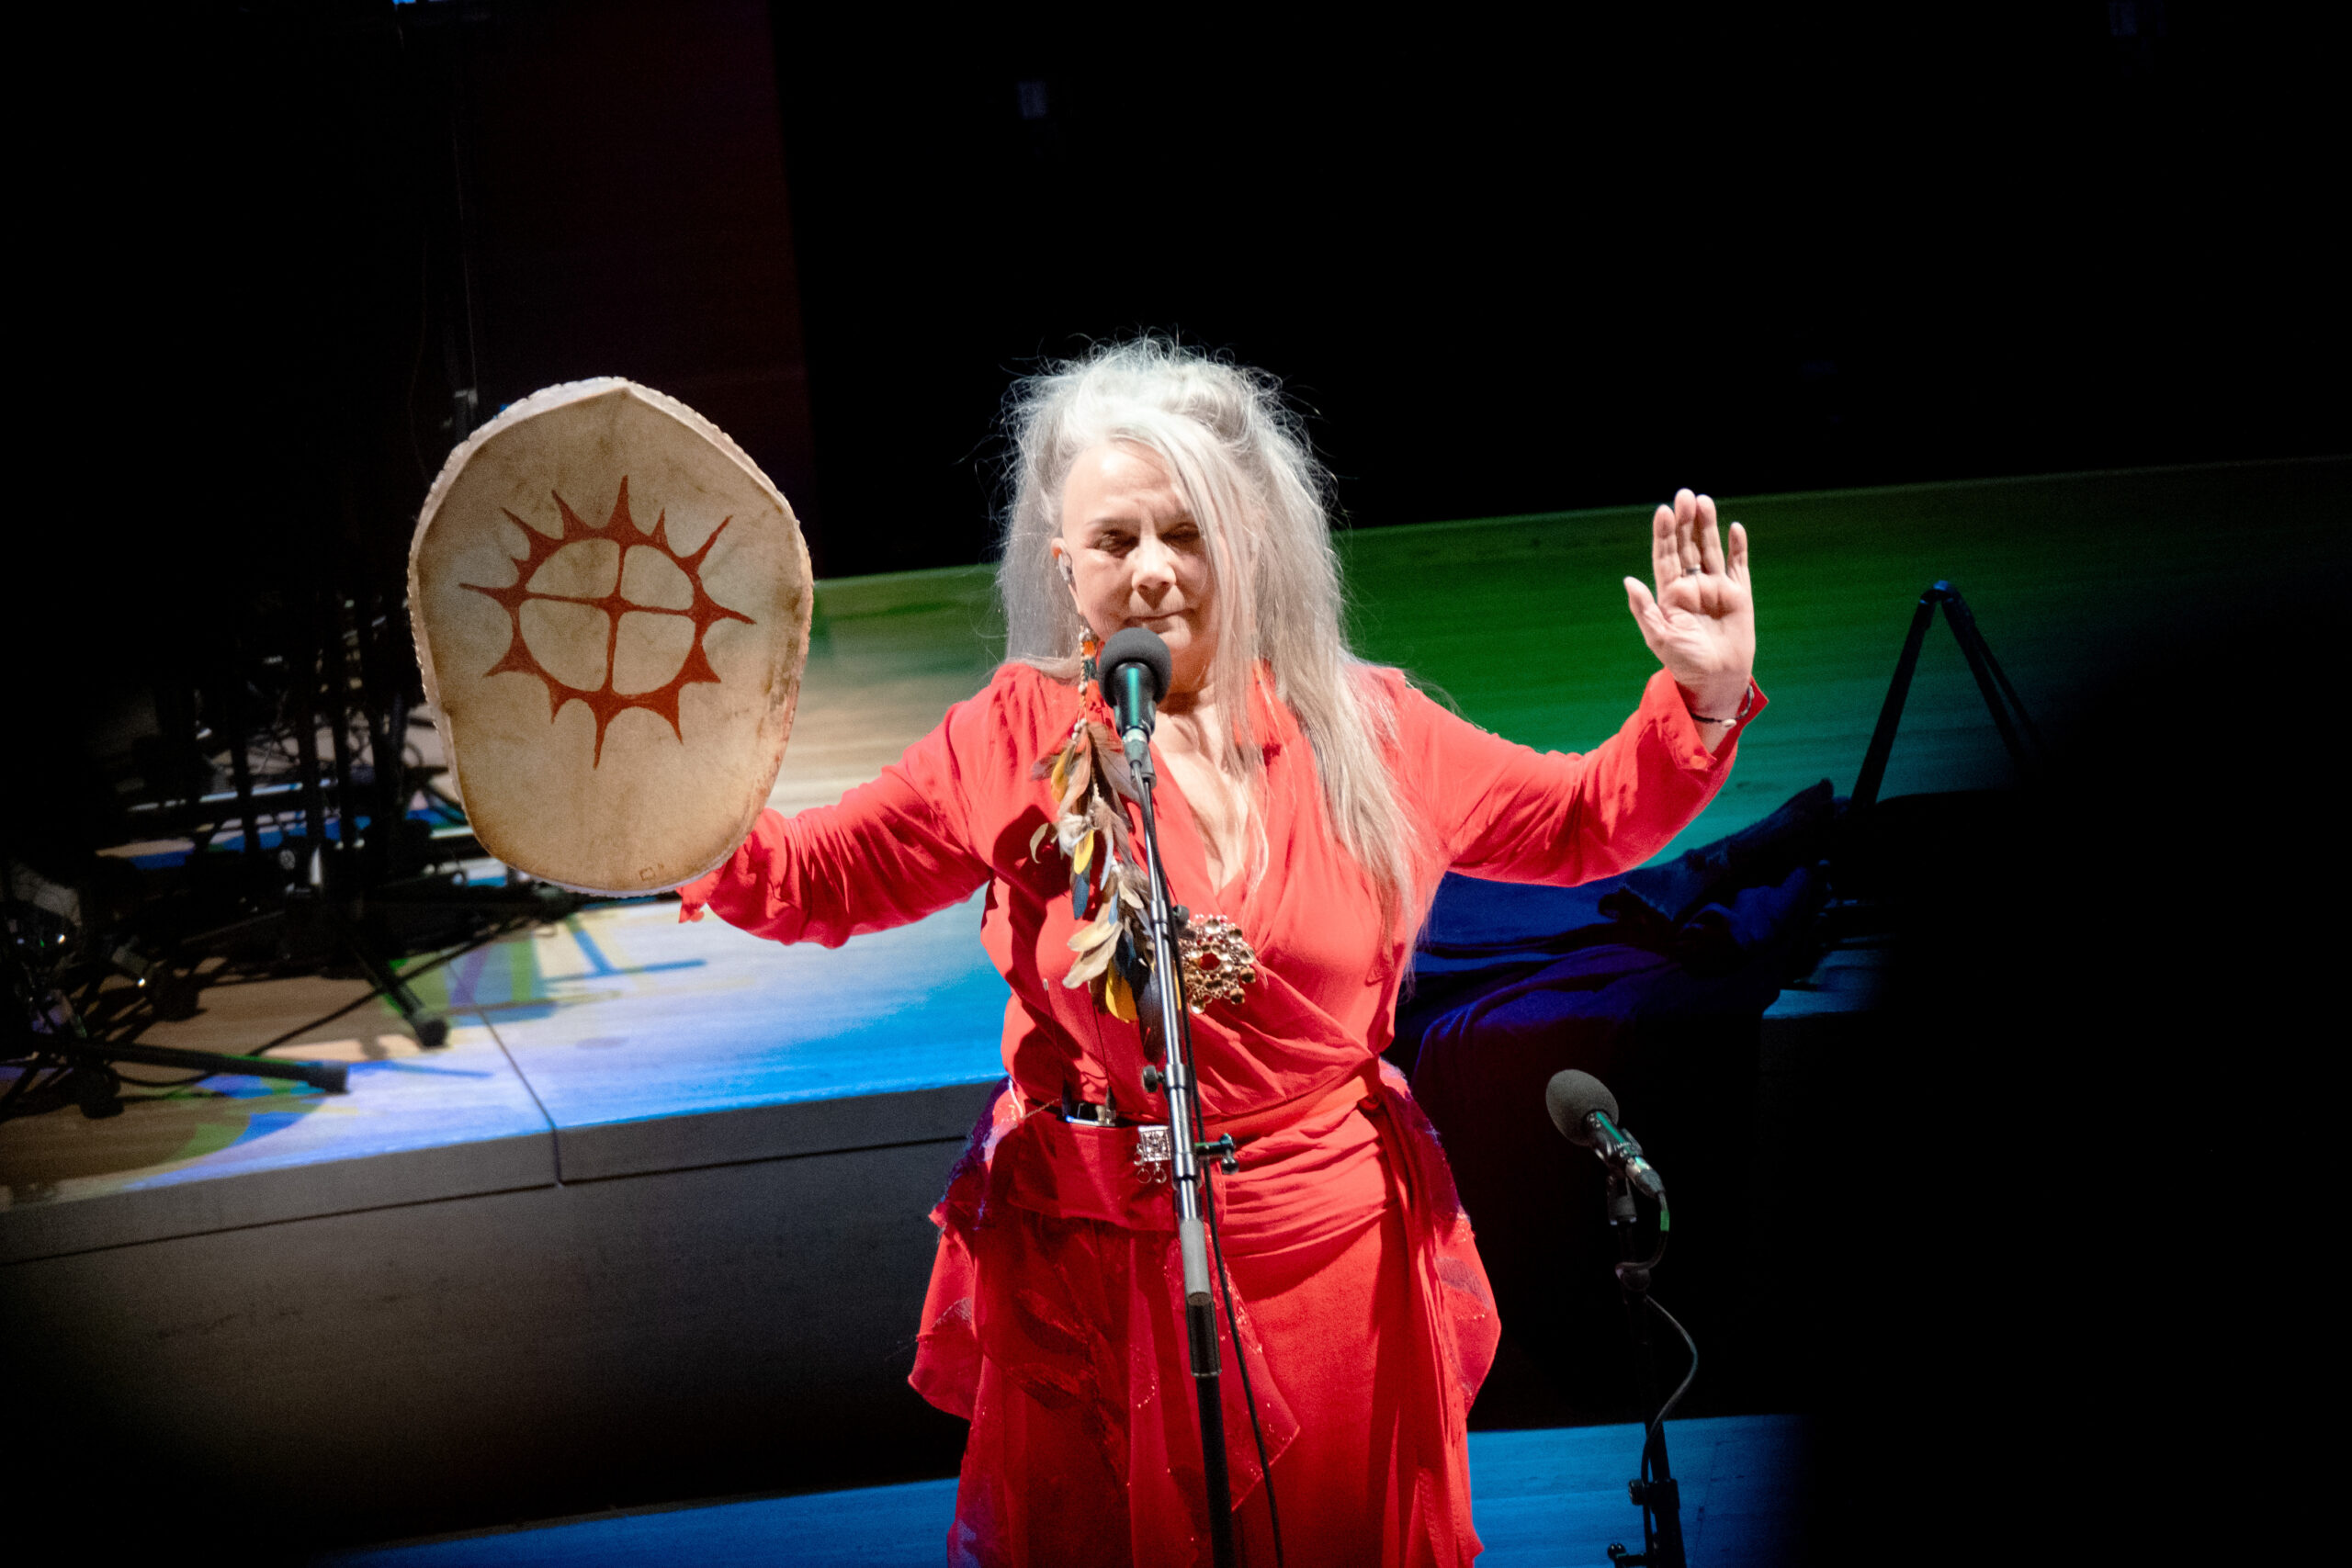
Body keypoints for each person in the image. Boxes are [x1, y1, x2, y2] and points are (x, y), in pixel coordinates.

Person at [680, 339, 1759, 1566]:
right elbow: (821, 874)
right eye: (1115, 541)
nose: (1149, 573)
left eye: (1184, 534)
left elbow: (1576, 821)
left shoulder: (1369, 729)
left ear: (1245, 537)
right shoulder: (1012, 737)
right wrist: (674, 815)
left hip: (1329, 1265)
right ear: (1061, 564)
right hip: (1096, 1276)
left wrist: (1703, 699)